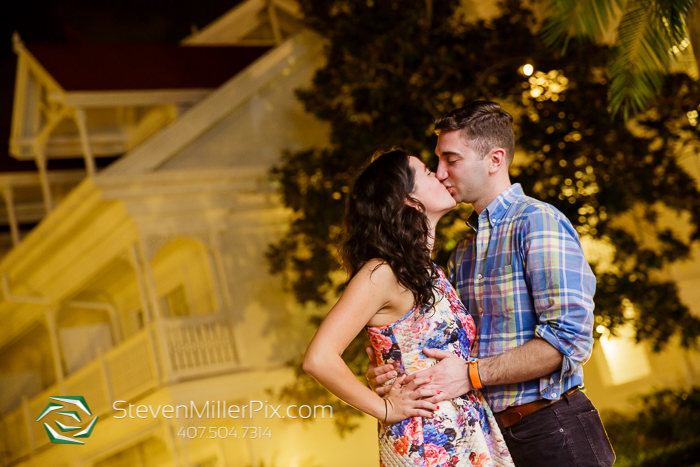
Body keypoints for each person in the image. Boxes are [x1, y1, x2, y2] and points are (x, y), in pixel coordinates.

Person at [366, 101, 615, 466]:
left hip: (553, 429)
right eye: (438, 160)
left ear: (495, 160)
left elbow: (569, 340)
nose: (441, 172)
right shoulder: (461, 253)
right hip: (489, 439)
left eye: (451, 159)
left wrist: (471, 375)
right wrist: (394, 369)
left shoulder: (537, 223)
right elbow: (448, 343)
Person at [304, 149, 514, 467]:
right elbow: (319, 358)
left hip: (465, 431)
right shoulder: (381, 273)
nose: (441, 174)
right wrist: (385, 408)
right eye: (429, 172)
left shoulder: (429, 271)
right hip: (427, 440)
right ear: (410, 201)